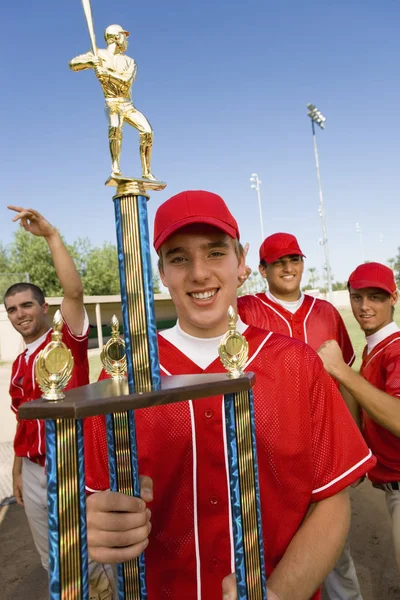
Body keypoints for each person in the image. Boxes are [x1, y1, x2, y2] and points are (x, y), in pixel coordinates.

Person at [85, 190, 375, 600]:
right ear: (162, 272)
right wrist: (97, 524)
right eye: (179, 258)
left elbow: (332, 499)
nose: (199, 273)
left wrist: (278, 593)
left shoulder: (296, 363)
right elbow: (97, 498)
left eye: (215, 252)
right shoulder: (124, 374)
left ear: (242, 264)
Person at [238, 233, 364, 600]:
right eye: (278, 262)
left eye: (294, 259)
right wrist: (235, 279)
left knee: (336, 554)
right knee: (278, 548)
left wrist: (351, 443)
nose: (289, 267)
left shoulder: (325, 311)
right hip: (271, 447)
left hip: (325, 443)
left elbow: (346, 381)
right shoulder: (246, 308)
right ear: (262, 270)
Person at [4, 206, 115, 600]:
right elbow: (22, 420)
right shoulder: (19, 363)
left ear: (44, 308)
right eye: (12, 309)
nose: (20, 314)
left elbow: (74, 291)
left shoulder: (65, 340)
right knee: (52, 558)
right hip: (34, 469)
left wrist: (51, 236)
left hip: (72, 462)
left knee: (90, 555)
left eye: (27, 305)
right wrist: (18, 468)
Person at [318, 262, 400, 574]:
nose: (364, 307)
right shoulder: (374, 349)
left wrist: (341, 371)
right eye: (357, 297)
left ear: (393, 298)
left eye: (376, 297)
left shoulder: (396, 349)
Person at [69, 24, 157, 181]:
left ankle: (147, 171)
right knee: (115, 128)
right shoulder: (97, 54)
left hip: (127, 104)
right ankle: (116, 167)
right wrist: (90, 63)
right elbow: (73, 64)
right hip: (112, 103)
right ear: (116, 37)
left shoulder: (130, 61)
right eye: (124, 36)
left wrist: (107, 73)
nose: (126, 40)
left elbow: (126, 82)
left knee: (147, 132)